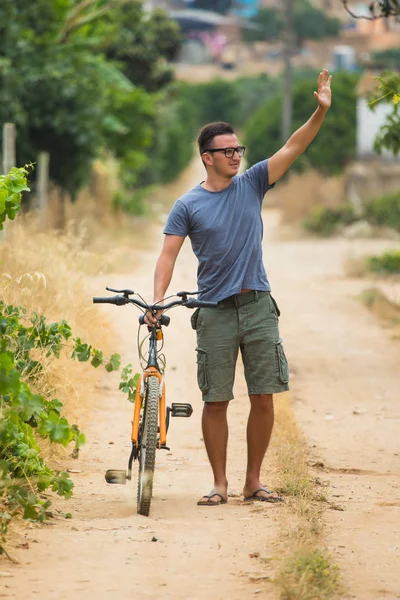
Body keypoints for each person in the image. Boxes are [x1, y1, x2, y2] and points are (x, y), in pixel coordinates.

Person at [146, 69, 332, 506]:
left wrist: (319, 111)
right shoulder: (187, 204)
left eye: (238, 149)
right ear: (206, 157)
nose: (235, 156)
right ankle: (219, 483)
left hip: (258, 307)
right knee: (216, 400)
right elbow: (168, 255)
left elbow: (295, 145)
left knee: (264, 396)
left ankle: (253, 481)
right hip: (213, 311)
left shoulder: (253, 183)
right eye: (226, 151)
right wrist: (155, 299)